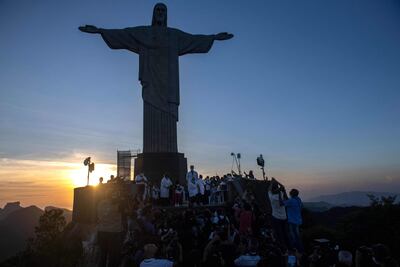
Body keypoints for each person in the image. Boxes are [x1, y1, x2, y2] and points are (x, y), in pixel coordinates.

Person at [96, 188, 124, 267]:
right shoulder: (118, 204)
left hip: (101, 232)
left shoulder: (100, 203)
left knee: (102, 255)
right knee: (113, 257)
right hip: (114, 233)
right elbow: (129, 211)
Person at [268, 178, 289, 251]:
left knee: (279, 234)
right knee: (285, 233)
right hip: (284, 217)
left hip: (276, 217)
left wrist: (272, 182)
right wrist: (277, 181)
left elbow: (269, 189)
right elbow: (283, 188)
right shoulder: (282, 194)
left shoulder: (271, 197)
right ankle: (288, 247)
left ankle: (282, 248)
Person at [283, 188, 303, 253]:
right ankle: (300, 249)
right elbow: (288, 201)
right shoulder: (298, 199)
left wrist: (281, 195)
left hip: (292, 221)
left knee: (293, 236)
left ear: (292, 194)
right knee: (297, 235)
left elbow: (282, 203)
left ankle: (294, 249)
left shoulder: (291, 201)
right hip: (298, 220)